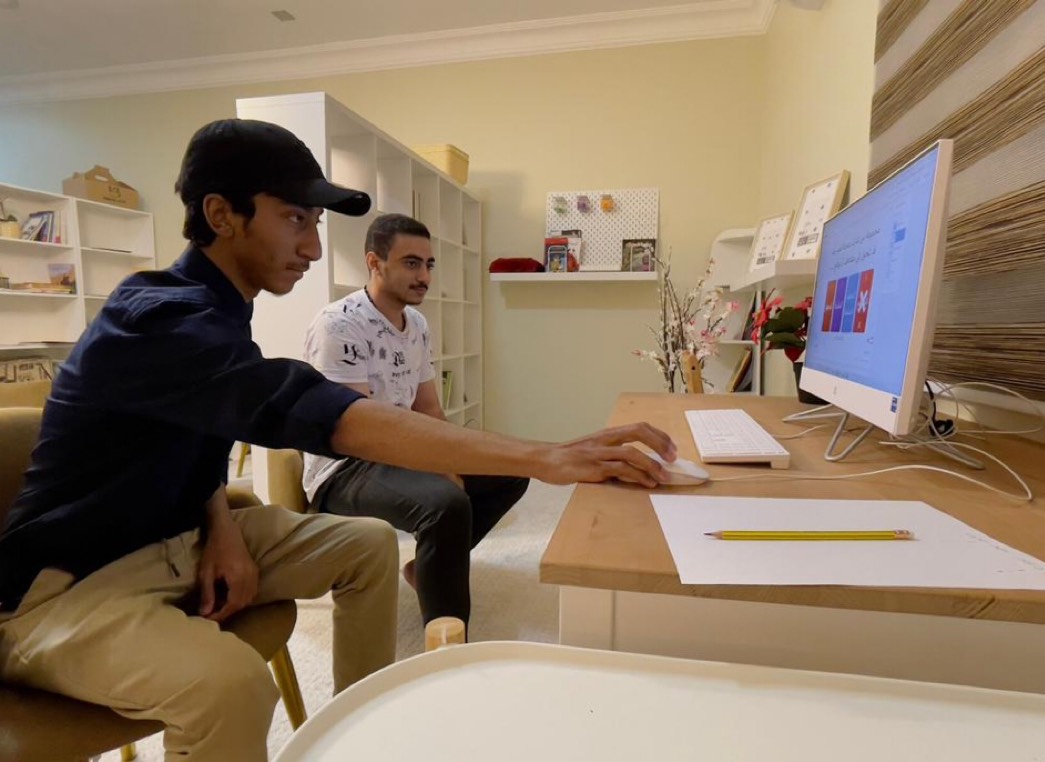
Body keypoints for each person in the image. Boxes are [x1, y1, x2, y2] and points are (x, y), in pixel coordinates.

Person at [0, 118, 675, 761]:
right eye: (295, 219)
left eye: (315, 224)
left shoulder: (221, 312)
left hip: (183, 540)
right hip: (68, 585)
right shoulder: (156, 319)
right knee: (231, 685)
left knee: (370, 545)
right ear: (221, 214)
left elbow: (195, 438)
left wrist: (223, 528)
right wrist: (548, 455)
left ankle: (358, 728)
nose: (314, 248)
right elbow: (324, 412)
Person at [302, 213, 529, 629]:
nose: (424, 276)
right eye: (411, 263)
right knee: (446, 503)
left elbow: (429, 411)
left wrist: (453, 456)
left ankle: (428, 569)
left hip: (400, 449)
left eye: (428, 264)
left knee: (511, 472)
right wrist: (438, 465)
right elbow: (359, 434)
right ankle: (448, 641)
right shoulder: (340, 324)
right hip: (344, 467)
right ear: (374, 263)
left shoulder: (417, 324)